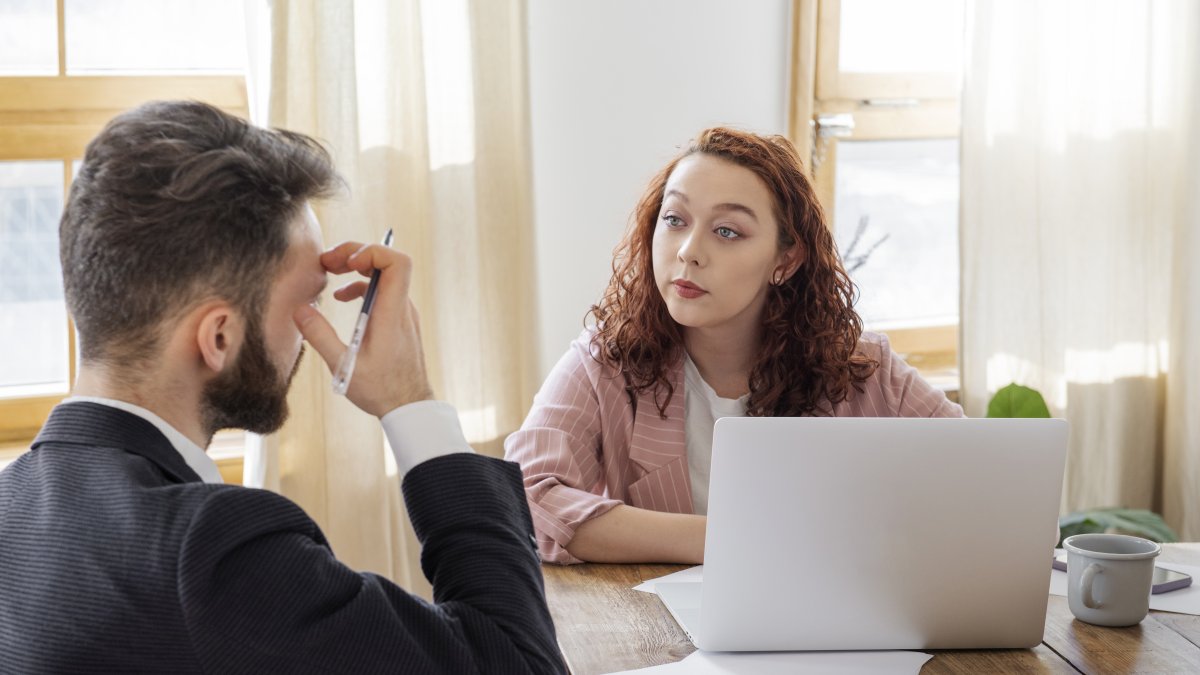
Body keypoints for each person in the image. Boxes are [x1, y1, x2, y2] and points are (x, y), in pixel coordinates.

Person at [0, 101, 564, 674]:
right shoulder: (214, 552)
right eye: (309, 304)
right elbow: (519, 663)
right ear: (218, 336)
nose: (313, 332)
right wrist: (410, 402)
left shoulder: (10, 506)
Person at [505, 127, 964, 566]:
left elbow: (981, 476)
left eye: (727, 231)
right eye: (674, 219)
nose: (688, 250)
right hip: (661, 633)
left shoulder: (865, 368)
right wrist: (728, 538)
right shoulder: (606, 359)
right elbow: (525, 501)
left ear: (786, 260)